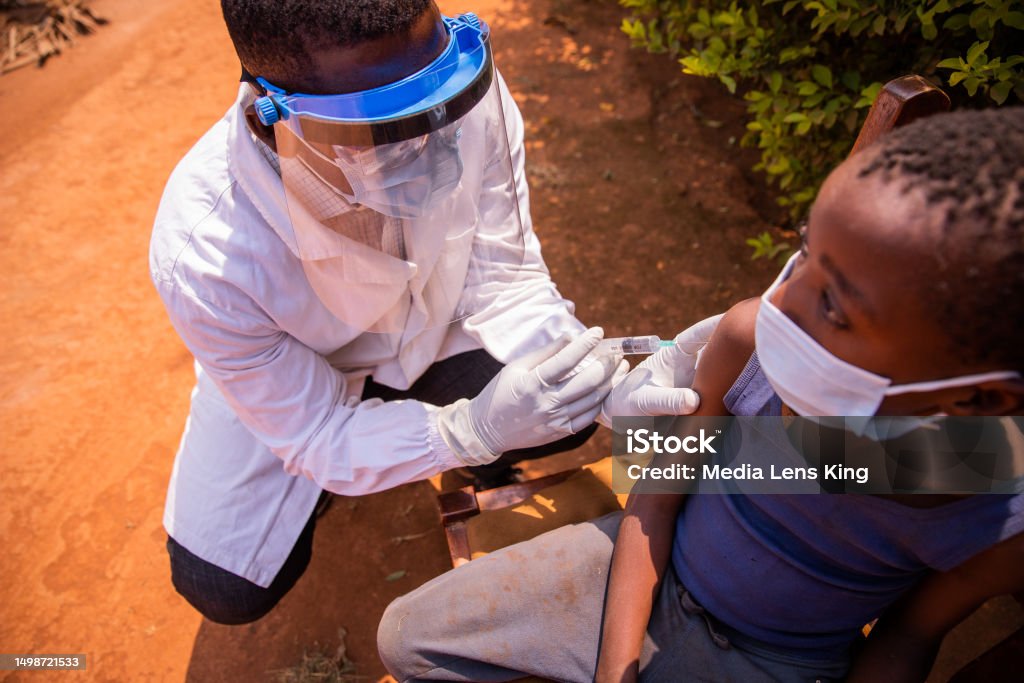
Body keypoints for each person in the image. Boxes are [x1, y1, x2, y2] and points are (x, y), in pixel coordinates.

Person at [377, 106, 1024, 682]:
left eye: (835, 304)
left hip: (774, 663)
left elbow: (909, 634)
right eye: (804, 252)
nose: (780, 305)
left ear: (976, 402)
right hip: (636, 572)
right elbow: (654, 503)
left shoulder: (994, 514)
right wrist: (616, 664)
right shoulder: (749, 341)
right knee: (406, 638)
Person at [149, 0, 658, 625]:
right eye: (383, 130)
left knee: (565, 411)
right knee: (226, 588)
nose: (437, 146)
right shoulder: (205, 255)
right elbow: (311, 433)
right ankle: (361, 467)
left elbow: (507, 277)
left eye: (436, 107)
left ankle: (412, 434)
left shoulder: (464, 101)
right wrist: (470, 431)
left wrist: (612, 382)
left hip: (431, 329)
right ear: (268, 121)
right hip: (299, 378)